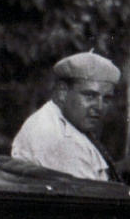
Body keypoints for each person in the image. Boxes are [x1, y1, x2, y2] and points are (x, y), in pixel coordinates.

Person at [11, 51, 120, 181]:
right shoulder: (60, 139)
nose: (100, 106)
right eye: (90, 96)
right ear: (62, 92)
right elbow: (94, 198)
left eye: (106, 98)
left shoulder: (58, 119)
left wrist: (125, 167)